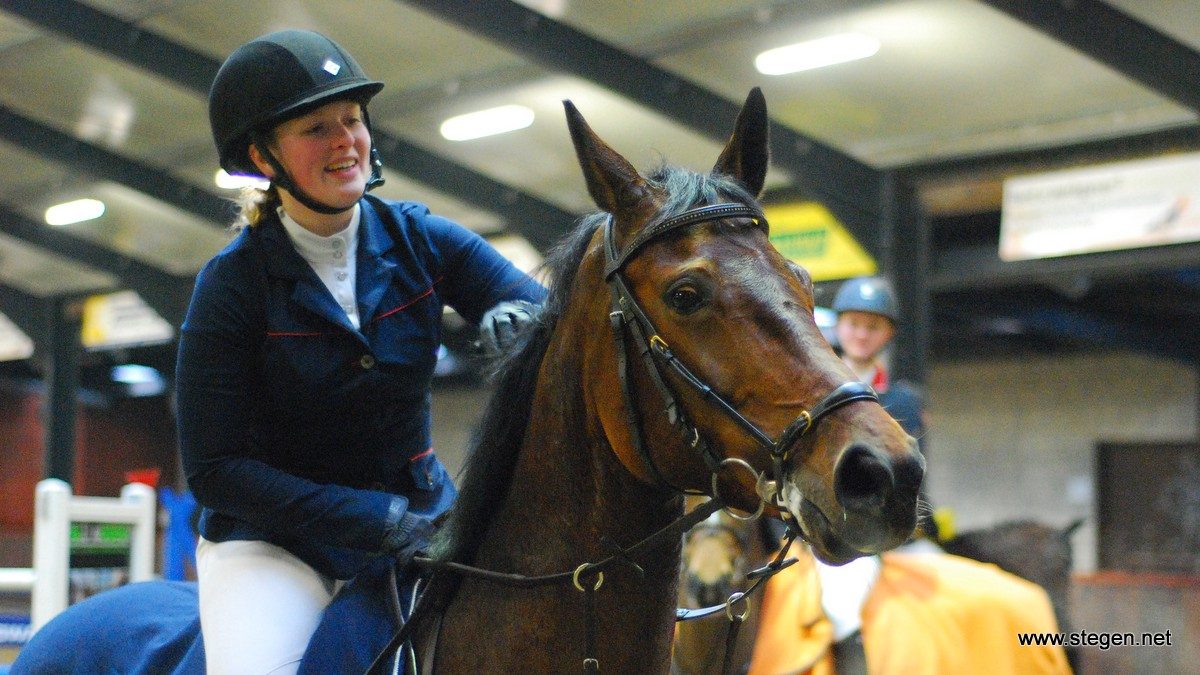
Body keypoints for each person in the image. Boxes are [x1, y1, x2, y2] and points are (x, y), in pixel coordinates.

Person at [177, 29, 545, 674]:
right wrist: (375, 519)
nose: (345, 140)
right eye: (317, 128)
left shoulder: (419, 238)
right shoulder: (232, 283)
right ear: (264, 159)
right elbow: (215, 470)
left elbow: (548, 311)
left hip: (425, 520)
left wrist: (520, 317)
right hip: (276, 546)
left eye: (352, 120)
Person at [831, 275, 925, 440]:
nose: (862, 335)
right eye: (853, 324)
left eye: (873, 327)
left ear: (890, 333)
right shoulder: (818, 391)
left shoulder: (904, 401)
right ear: (837, 325)